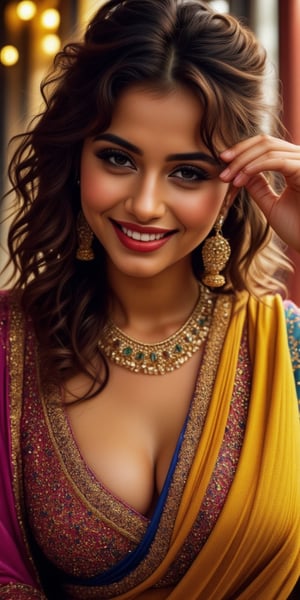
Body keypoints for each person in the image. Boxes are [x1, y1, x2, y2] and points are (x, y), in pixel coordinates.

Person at [0, 0, 299, 598]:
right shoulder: (10, 344)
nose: (143, 203)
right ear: (74, 158)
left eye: (188, 172)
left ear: (234, 187)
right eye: (118, 158)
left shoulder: (285, 347)